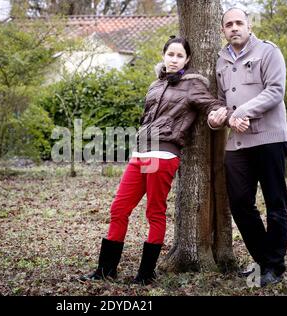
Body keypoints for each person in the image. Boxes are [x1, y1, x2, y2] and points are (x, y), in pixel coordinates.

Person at [80, 35, 227, 285]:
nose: (174, 59)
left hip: (163, 155)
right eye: (171, 54)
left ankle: (145, 274)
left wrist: (225, 114)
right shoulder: (155, 85)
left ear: (187, 59)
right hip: (141, 154)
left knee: (154, 212)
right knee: (119, 209)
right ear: (163, 55)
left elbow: (213, 105)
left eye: (180, 55)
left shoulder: (192, 86)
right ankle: (106, 269)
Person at [208, 8, 287, 287]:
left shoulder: (268, 52)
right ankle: (265, 260)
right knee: (241, 203)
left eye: (239, 23)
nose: (234, 28)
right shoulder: (220, 59)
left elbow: (275, 90)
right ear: (223, 30)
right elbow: (220, 100)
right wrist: (217, 115)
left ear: (249, 25)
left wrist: (240, 112)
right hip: (237, 142)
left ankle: (274, 267)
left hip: (269, 138)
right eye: (228, 24)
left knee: (275, 204)